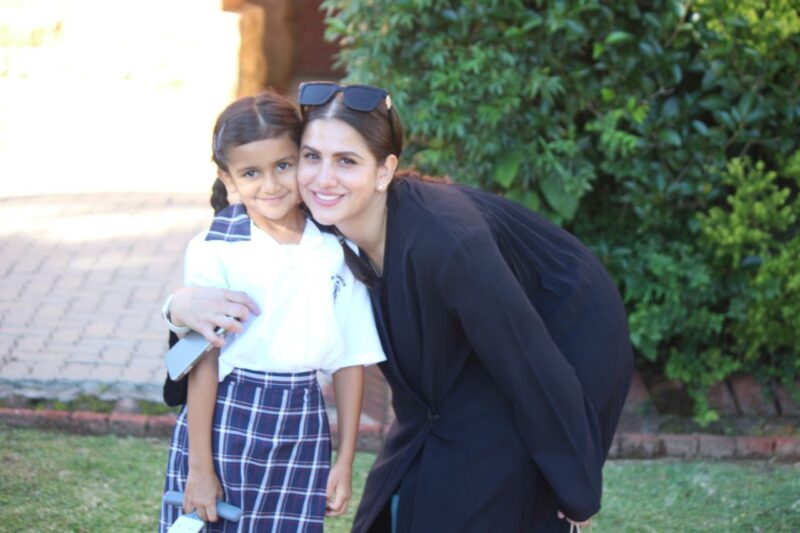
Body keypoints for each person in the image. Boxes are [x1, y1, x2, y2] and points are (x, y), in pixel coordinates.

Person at [169, 82, 634, 532]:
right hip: (466, 361)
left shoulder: (450, 242)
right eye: (311, 157)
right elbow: (234, 251)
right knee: (410, 477)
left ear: (384, 171)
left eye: (346, 161)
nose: (323, 178)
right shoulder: (310, 205)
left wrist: (576, 488)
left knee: (484, 483)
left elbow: (528, 363)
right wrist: (177, 305)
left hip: (566, 331)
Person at [158, 89, 385, 532]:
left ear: (303, 157)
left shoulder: (336, 247)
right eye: (251, 172)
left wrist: (345, 460)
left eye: (284, 165)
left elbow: (350, 358)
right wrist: (200, 469)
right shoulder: (215, 250)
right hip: (227, 419)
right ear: (228, 178)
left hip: (303, 423)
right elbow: (203, 363)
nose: (272, 185)